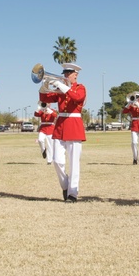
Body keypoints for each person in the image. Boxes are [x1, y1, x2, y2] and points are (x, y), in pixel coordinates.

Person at [39, 63, 87, 202]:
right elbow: (44, 98)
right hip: (60, 126)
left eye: (69, 73)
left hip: (74, 125)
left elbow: (77, 98)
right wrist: (45, 85)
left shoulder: (80, 88)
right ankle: (65, 186)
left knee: (73, 163)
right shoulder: (61, 90)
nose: (65, 75)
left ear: (75, 75)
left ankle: (73, 193)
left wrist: (60, 85)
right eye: (64, 73)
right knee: (56, 160)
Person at [123, 92, 139, 165]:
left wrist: (138, 105)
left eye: (137, 97)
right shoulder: (131, 105)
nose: (135, 98)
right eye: (134, 97)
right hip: (134, 125)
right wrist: (129, 104)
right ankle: (135, 158)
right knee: (134, 142)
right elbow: (124, 111)